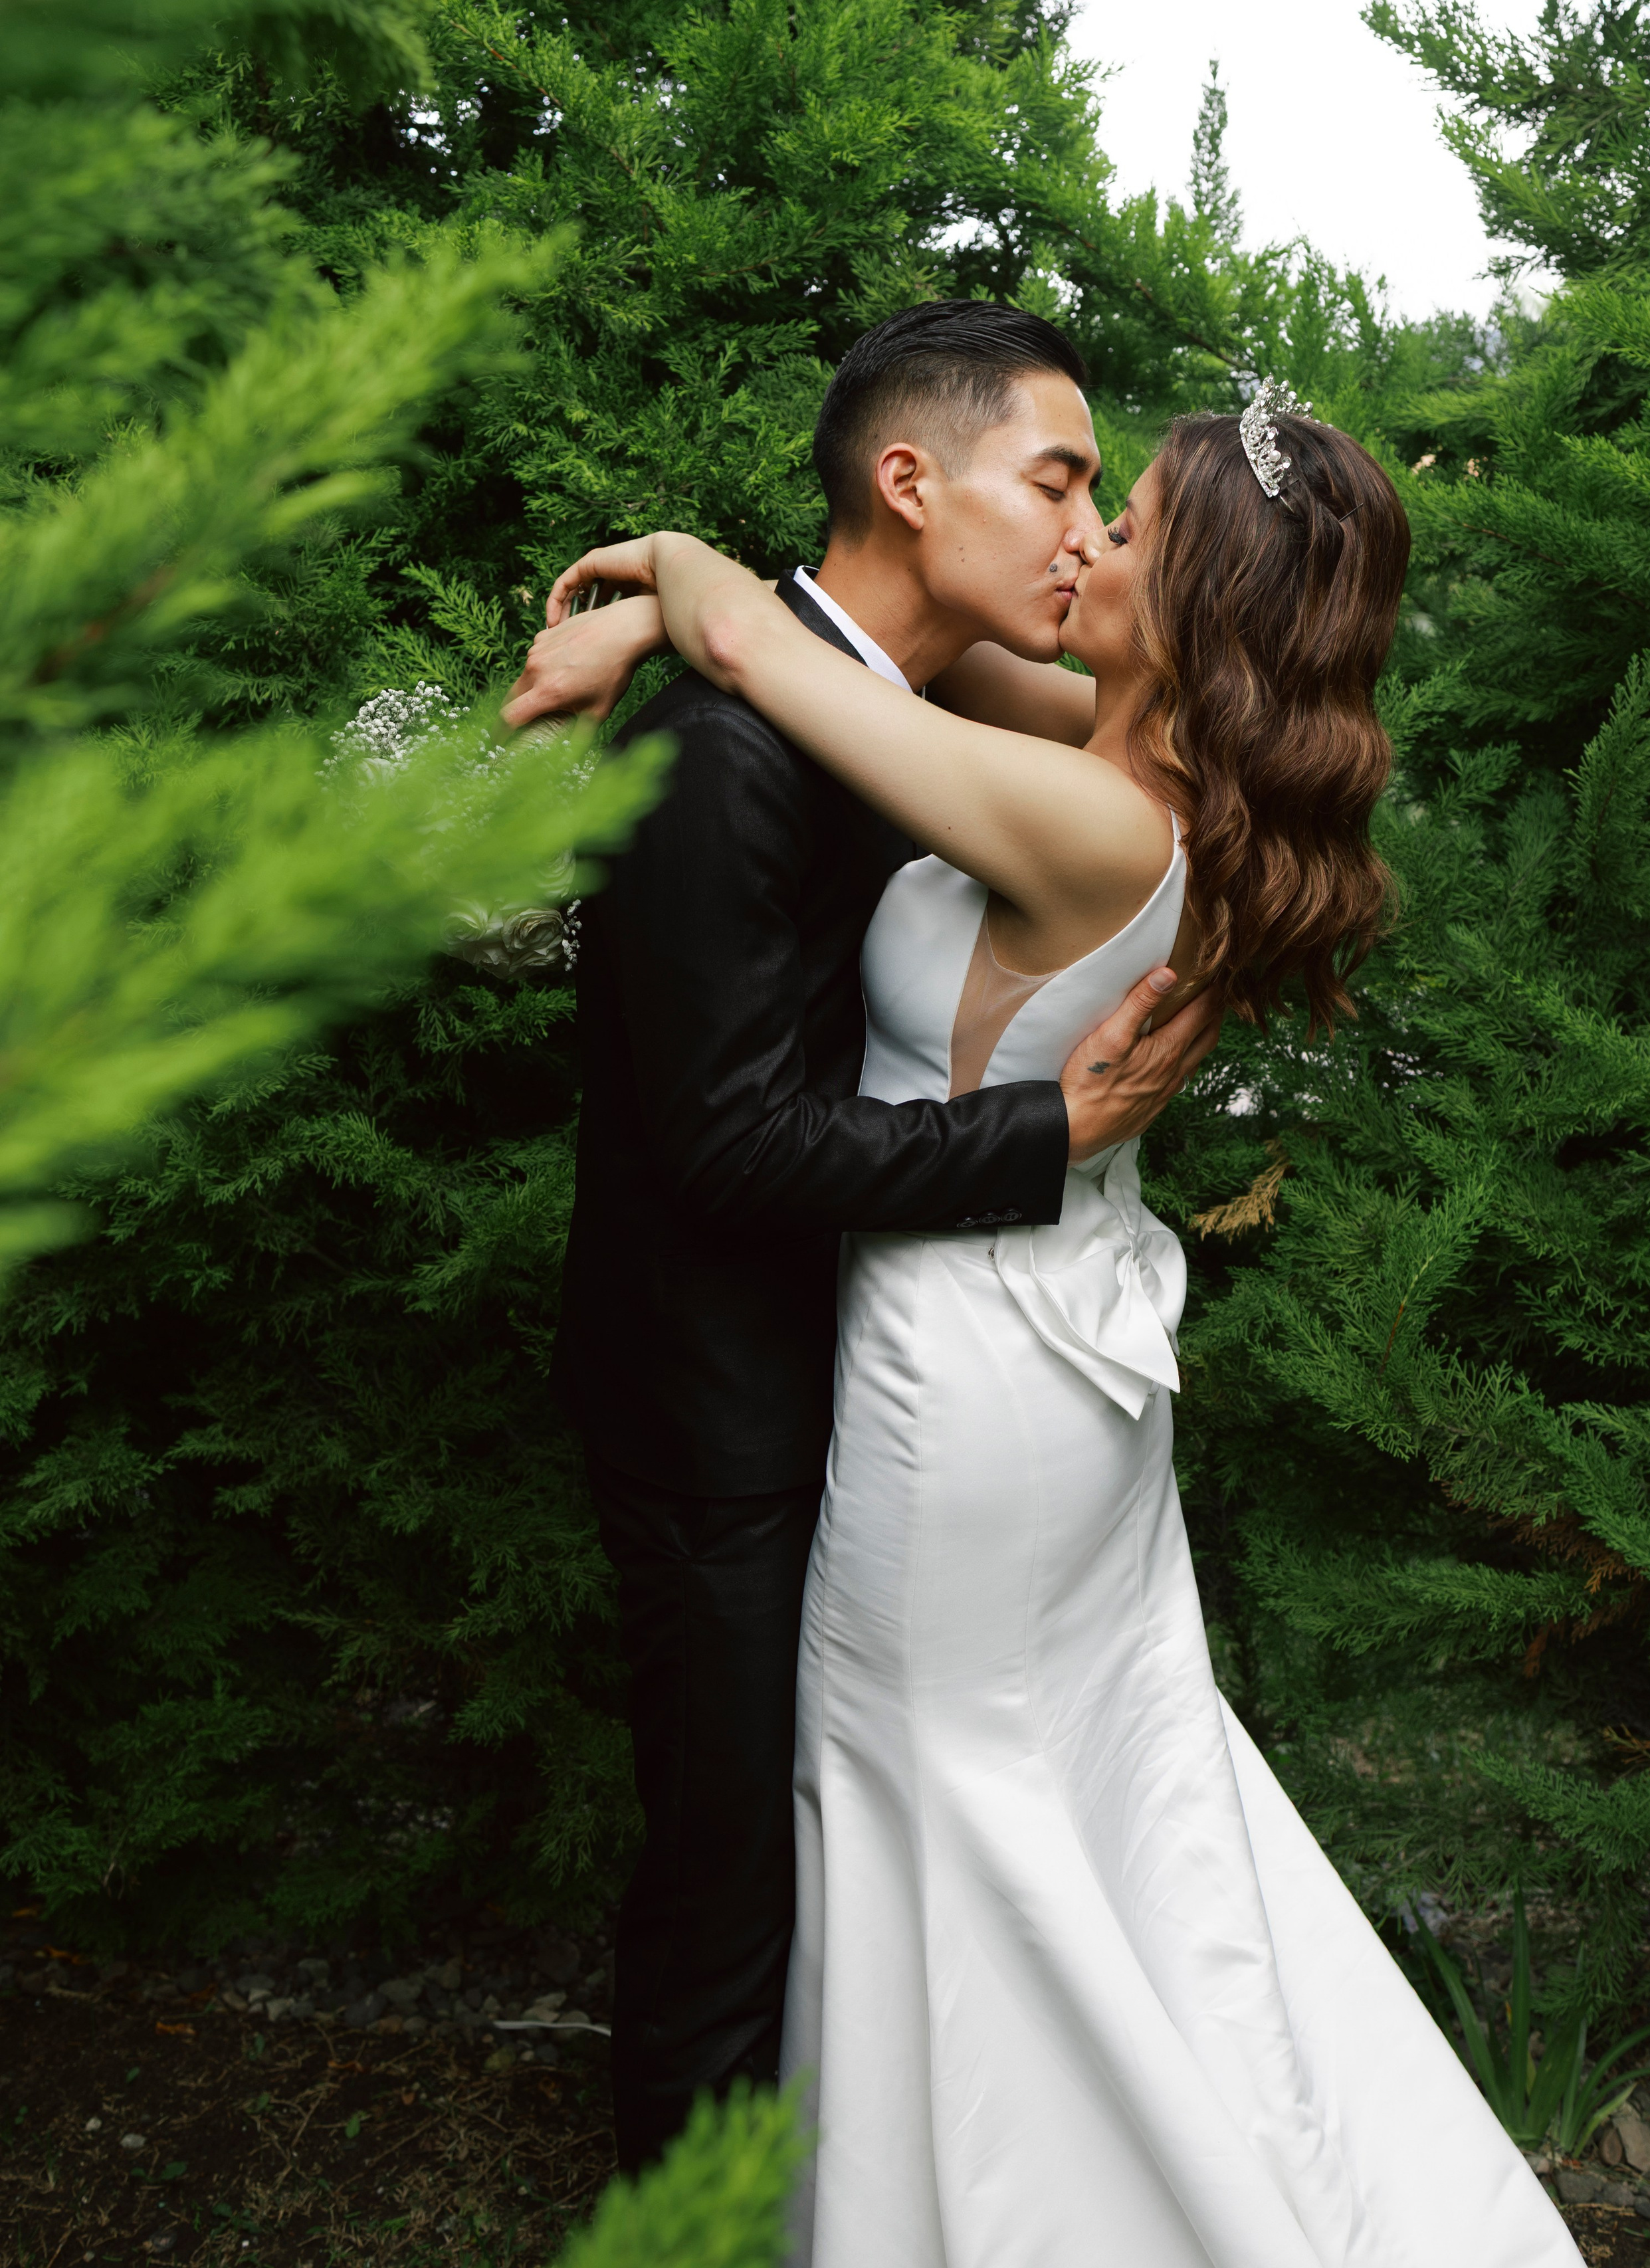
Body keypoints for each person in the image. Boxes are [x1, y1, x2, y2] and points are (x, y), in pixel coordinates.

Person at [526, 379, 1583, 2263]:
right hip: (1063, 1338)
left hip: (973, 1368)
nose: (1085, 542)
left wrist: (669, 570)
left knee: (932, 1793)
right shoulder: (1135, 764)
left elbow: (780, 651)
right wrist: (683, 638)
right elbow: (887, 679)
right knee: (1072, 1786)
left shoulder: (1093, 819)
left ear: (1186, 617)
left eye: (1130, 533)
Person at [503, 302, 1225, 2175]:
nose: (1086, 529)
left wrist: (674, 582)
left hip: (894, 1382)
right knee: (732, 1887)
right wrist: (1040, 1133)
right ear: (909, 481)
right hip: (722, 1418)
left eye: (1103, 498)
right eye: (1060, 478)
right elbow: (725, 1142)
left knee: (859, 1847)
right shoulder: (727, 763)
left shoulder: (926, 712)